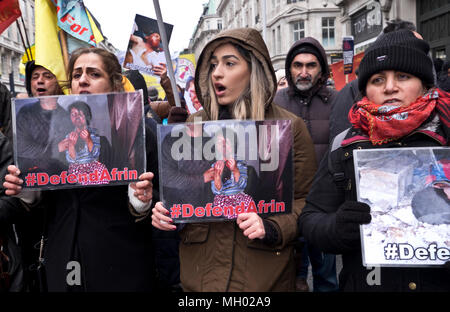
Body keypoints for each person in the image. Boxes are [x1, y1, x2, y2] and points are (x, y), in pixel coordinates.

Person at [152, 27, 317, 292]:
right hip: (200, 279)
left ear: (255, 70)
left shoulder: (289, 127)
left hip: (264, 278)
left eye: (229, 63)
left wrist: (272, 227)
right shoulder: (195, 124)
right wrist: (167, 210)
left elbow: (308, 203)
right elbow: (183, 188)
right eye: (213, 64)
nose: (217, 72)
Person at [298, 29, 450, 291]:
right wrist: (337, 228)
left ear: (424, 84)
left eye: (403, 76)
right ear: (366, 89)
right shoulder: (345, 145)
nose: (390, 87)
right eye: (378, 79)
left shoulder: (445, 134)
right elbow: (311, 218)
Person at [3, 47, 157, 292]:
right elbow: (42, 200)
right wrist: (26, 190)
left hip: (119, 261)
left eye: (94, 74)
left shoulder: (138, 132)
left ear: (114, 83)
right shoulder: (51, 132)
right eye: (77, 75)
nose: (83, 80)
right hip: (63, 256)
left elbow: (162, 202)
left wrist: (140, 201)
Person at [273, 36, 338, 292]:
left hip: (326, 205)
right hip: (287, 204)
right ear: (289, 68)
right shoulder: (275, 102)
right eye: (297, 65)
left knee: (327, 277)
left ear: (321, 69)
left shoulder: (336, 100)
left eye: (310, 65)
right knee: (290, 279)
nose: (303, 72)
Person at [60, 101, 111, 185]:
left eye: (80, 114)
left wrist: (88, 140)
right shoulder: (68, 138)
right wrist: (71, 145)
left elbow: (96, 155)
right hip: (76, 177)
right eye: (73, 114)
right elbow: (71, 160)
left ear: (87, 116)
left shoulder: (96, 136)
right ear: (70, 118)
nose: (77, 117)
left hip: (95, 175)